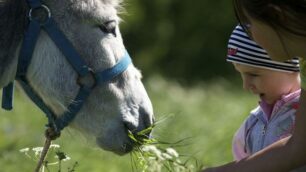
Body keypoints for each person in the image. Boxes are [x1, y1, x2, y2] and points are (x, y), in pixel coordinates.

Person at [203, 1, 306, 172]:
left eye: (250, 23)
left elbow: (298, 147)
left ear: (276, 16)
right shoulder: (253, 123)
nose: (248, 32)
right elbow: (298, 147)